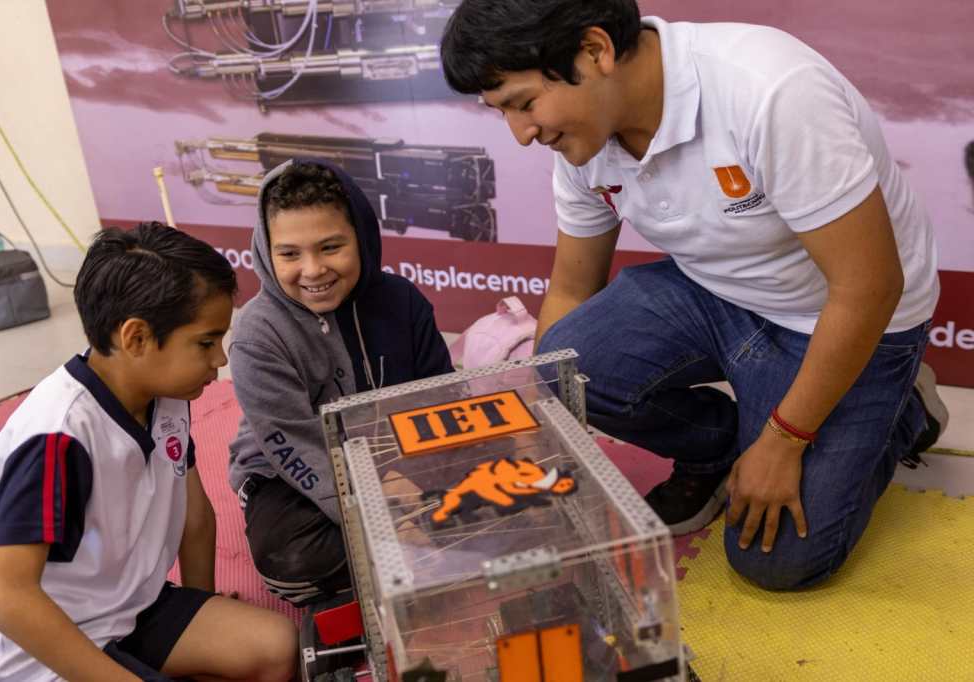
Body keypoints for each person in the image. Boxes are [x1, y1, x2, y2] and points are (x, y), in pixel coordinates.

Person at [441, 0, 948, 590]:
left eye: (524, 104)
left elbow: (870, 286)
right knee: (560, 370)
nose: (522, 134)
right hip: (715, 288)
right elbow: (573, 286)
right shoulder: (583, 134)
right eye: (501, 112)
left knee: (778, 562)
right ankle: (714, 452)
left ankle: (903, 405)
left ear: (595, 51)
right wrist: (550, 433)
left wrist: (785, 440)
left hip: (844, 312)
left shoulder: (769, 90)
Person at [0, 223, 298, 682]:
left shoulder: (167, 390)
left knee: (277, 648)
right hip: (31, 657)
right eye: (206, 342)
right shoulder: (58, 436)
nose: (220, 360)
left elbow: (195, 519)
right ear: (135, 338)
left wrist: (200, 609)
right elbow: (5, 597)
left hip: (125, 607)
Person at [228, 160, 453, 606]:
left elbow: (441, 398)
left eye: (331, 247)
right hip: (293, 472)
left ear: (362, 241)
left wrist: (410, 478)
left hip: (397, 455)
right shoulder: (258, 333)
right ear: (265, 250)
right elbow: (293, 444)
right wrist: (380, 514)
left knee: (502, 490)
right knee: (290, 560)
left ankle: (394, 554)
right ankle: (409, 551)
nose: (312, 270)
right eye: (289, 253)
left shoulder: (403, 301)